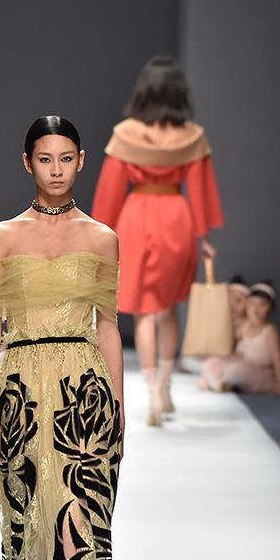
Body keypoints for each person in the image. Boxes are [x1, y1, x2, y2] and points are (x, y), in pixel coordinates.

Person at [0, 116, 124, 560]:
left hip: (83, 396)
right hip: (20, 391)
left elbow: (109, 327)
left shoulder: (103, 238)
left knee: (78, 533)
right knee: (26, 531)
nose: (56, 170)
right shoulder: (3, 236)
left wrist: (118, 408)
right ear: (27, 162)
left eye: (66, 158)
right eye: (45, 159)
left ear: (82, 161)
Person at [91, 55, 224, 426]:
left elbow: (110, 192)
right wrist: (203, 237)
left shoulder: (126, 134)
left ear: (144, 91)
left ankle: (151, 391)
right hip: (176, 217)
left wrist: (100, 233)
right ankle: (165, 387)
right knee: (166, 309)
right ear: (179, 92)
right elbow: (200, 192)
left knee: (144, 312)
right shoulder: (192, 136)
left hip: (136, 216)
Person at [200, 281, 280, 394]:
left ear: (271, 308)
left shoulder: (269, 331)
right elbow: (235, 350)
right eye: (252, 304)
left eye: (262, 304)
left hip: (260, 371)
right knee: (210, 363)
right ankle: (217, 383)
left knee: (235, 371)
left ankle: (217, 382)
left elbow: (277, 360)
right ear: (247, 305)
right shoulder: (243, 326)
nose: (256, 309)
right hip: (242, 363)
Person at [228, 275, 250, 342]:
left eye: (238, 300)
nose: (233, 305)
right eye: (229, 300)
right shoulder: (221, 324)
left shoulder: (251, 326)